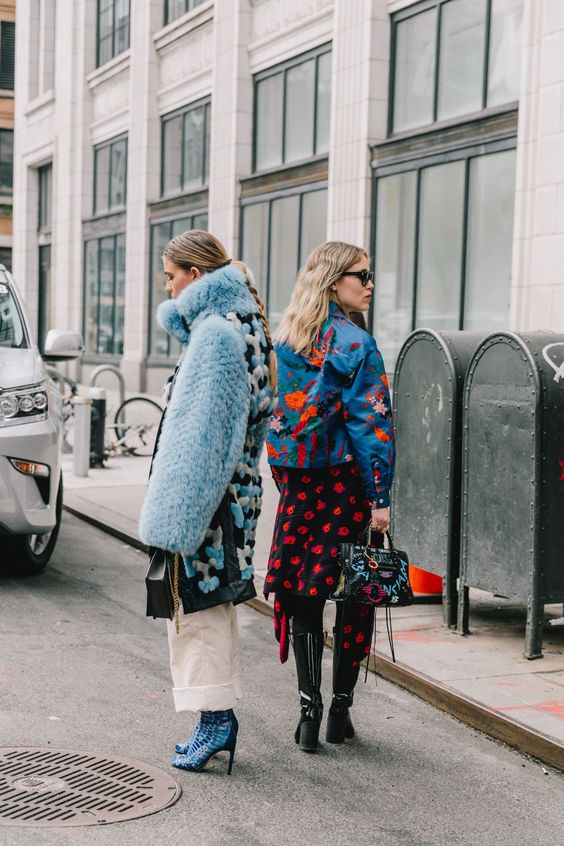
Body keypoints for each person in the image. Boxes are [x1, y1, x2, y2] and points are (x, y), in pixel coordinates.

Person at [139, 231, 276, 774]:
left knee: (199, 612)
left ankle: (216, 720)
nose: (167, 287)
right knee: (200, 608)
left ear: (195, 277)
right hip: (225, 501)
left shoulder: (216, 336)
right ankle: (209, 720)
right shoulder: (236, 326)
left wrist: (176, 519)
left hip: (206, 506)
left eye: (171, 276)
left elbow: (202, 439)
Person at [265, 241, 395, 752]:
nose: (369, 284)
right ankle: (340, 712)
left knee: (303, 592)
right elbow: (372, 426)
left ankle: (307, 714)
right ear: (334, 280)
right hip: (346, 486)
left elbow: (279, 424)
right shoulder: (356, 343)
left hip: (299, 485)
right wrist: (380, 496)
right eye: (362, 275)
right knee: (356, 591)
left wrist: (288, 481)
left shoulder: (287, 342)